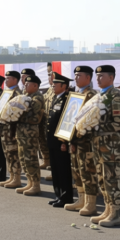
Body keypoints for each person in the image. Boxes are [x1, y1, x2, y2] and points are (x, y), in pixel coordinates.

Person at [90, 65, 120, 227]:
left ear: (111, 78)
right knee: (102, 178)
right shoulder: (99, 96)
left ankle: (114, 214)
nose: (98, 79)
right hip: (98, 143)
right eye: (97, 76)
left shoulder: (115, 96)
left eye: (101, 76)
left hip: (110, 145)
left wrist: (98, 126)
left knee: (111, 179)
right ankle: (107, 209)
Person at [66, 66, 99, 215]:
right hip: (74, 139)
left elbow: (91, 120)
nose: (76, 78)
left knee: (87, 171)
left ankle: (90, 204)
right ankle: (81, 200)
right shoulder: (75, 94)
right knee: (76, 170)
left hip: (86, 141)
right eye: (75, 75)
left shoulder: (92, 95)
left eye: (79, 75)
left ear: (88, 78)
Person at [46, 72, 73, 207]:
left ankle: (66, 197)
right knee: (55, 170)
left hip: (60, 141)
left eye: (55, 84)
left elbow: (68, 122)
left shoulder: (67, 99)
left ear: (63, 86)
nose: (53, 85)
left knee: (63, 170)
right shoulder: (56, 98)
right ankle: (58, 195)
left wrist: (64, 141)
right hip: (52, 140)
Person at [14, 75, 44, 196]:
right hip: (22, 132)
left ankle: (36, 185)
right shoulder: (26, 96)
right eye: (25, 83)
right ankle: (29, 182)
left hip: (30, 133)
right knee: (23, 158)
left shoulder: (37, 98)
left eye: (27, 84)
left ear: (35, 86)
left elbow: (27, 110)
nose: (25, 85)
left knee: (31, 159)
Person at [0, 71, 23, 188]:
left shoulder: (17, 94)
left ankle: (17, 178)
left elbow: (17, 115)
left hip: (11, 130)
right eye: (6, 78)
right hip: (5, 128)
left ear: (15, 80)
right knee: (7, 153)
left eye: (8, 78)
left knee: (13, 154)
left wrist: (13, 131)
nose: (6, 80)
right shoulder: (6, 92)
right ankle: (11, 176)